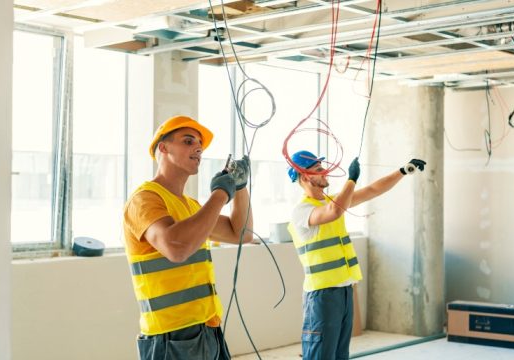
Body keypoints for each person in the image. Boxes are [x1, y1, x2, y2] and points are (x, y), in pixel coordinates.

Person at [123, 115, 253, 360]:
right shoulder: (145, 199)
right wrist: (220, 194)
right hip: (171, 338)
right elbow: (176, 248)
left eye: (200, 145)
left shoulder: (191, 207)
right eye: (188, 141)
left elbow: (242, 233)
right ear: (163, 147)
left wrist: (240, 186)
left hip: (207, 329)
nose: (198, 148)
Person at [286, 150, 426, 360]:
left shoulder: (333, 201)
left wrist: (403, 171)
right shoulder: (302, 210)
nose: (325, 171)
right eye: (318, 169)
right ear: (305, 176)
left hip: (343, 291)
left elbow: (372, 190)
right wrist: (351, 179)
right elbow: (333, 212)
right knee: (320, 355)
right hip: (322, 295)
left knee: (340, 355)